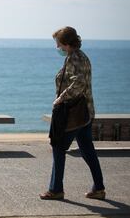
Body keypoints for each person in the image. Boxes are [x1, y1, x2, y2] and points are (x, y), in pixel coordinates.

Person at [40, 26, 105, 200]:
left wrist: (60, 98)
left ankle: (56, 189)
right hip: (85, 113)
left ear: (67, 43)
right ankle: (98, 188)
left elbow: (78, 84)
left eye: (58, 44)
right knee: (87, 150)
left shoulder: (75, 58)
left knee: (58, 146)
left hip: (74, 113)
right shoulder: (78, 56)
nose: (57, 47)